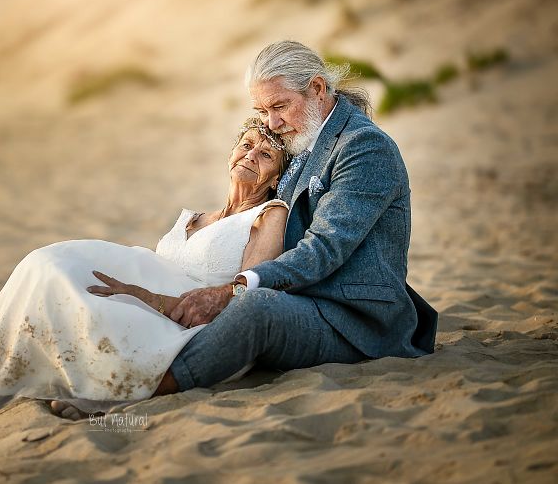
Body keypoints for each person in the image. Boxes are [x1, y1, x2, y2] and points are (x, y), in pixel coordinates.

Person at [0, 117, 290, 436]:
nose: (251, 154)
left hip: (176, 318)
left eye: (265, 153)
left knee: (51, 271)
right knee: (41, 267)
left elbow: (250, 284)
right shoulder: (195, 215)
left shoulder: (269, 212)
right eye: (246, 143)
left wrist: (166, 300)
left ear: (277, 177)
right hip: (137, 297)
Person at [149, 40, 438, 396]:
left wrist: (232, 288)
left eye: (280, 106)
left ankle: (146, 386)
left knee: (257, 309)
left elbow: (323, 248)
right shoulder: (304, 139)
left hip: (353, 319)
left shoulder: (364, 147)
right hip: (304, 298)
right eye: (262, 110)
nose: (272, 122)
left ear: (317, 89)